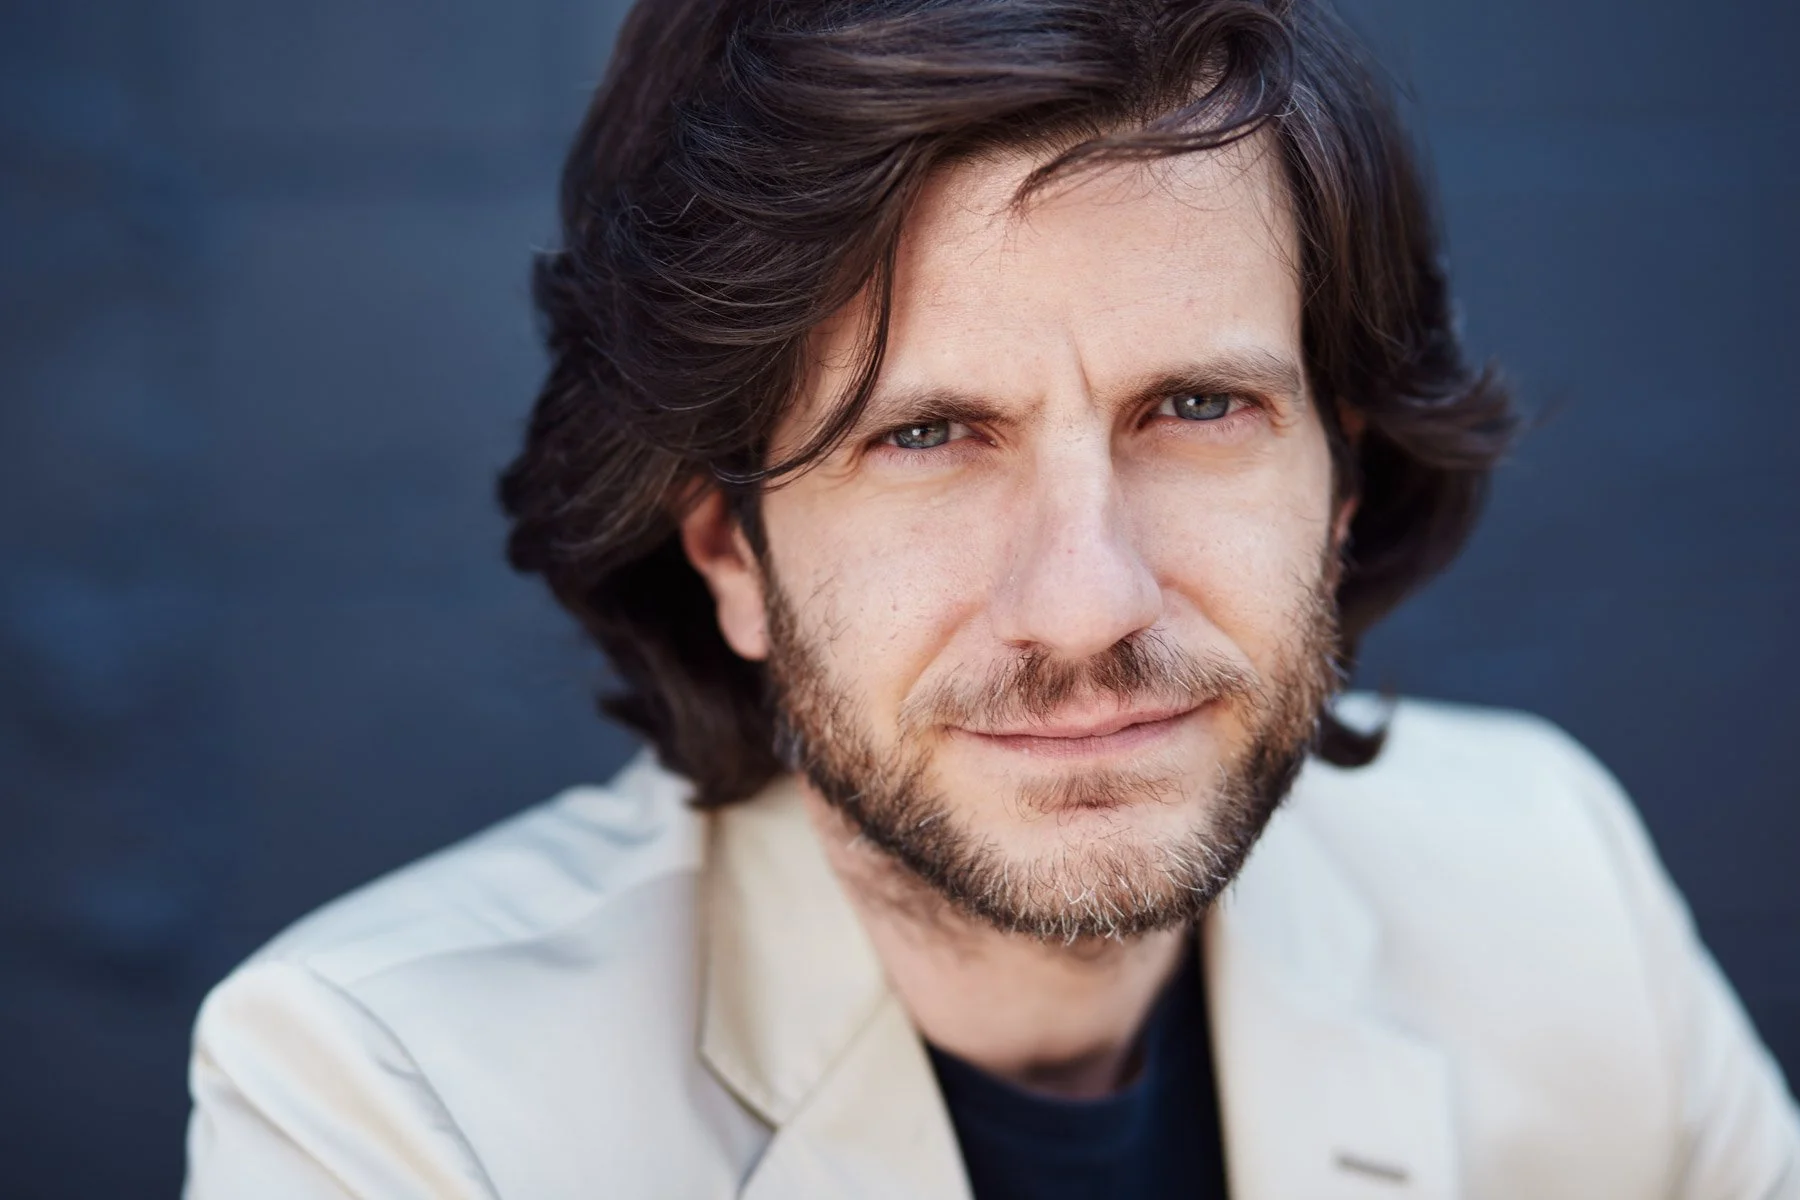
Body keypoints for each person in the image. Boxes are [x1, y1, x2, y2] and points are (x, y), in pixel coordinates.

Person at [182, 0, 1800, 1196]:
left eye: (1196, 409)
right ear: (727, 546)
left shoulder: (1552, 891)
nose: (1087, 604)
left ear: (1344, 477)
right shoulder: (392, 1106)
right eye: (929, 435)